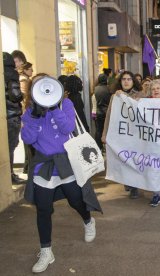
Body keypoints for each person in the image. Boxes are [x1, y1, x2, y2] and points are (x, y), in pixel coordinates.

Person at [21, 74, 102, 273]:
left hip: (66, 162)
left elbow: (68, 127)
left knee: (76, 200)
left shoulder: (65, 104)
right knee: (43, 209)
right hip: (44, 165)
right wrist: (33, 116)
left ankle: (88, 220)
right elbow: (28, 139)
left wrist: (54, 108)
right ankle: (46, 251)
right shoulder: (30, 112)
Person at [102, 71, 144, 199]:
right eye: (124, 79)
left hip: (136, 135)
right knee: (124, 159)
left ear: (133, 81)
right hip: (122, 134)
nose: (126, 81)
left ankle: (134, 187)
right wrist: (105, 134)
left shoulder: (140, 95)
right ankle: (128, 181)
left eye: (129, 79)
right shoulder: (115, 97)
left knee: (134, 160)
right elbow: (109, 116)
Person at [3, 52, 25, 184]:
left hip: (5, 114)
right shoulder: (11, 73)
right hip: (12, 115)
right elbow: (15, 95)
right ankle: (10, 175)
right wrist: (21, 95)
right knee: (11, 146)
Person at [93, 74, 111, 151]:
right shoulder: (108, 89)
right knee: (107, 130)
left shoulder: (95, 89)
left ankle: (98, 147)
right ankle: (106, 148)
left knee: (99, 130)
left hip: (99, 112)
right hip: (107, 112)